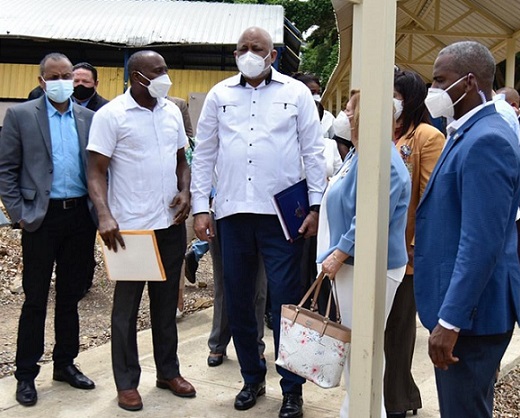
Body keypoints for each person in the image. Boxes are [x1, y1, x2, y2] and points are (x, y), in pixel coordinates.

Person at [191, 26, 326, 418]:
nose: (250, 53)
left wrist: (315, 205)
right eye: (243, 48)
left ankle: (292, 388)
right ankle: (252, 377)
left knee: (285, 301)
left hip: (282, 217)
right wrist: (202, 207)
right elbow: (205, 155)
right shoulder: (220, 95)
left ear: (272, 55)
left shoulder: (296, 93)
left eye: (258, 48)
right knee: (238, 299)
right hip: (232, 213)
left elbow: (313, 152)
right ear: (236, 54)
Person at [416, 41, 520, 418]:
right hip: (468, 312)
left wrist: (450, 320)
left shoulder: (487, 139)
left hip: (472, 317)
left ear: (470, 81)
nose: (434, 90)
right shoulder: (466, 130)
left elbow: (481, 242)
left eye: (440, 80)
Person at [87, 50, 195, 412]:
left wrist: (185, 190)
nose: (166, 76)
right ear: (137, 76)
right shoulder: (111, 116)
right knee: (127, 310)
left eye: (166, 69)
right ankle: (127, 383)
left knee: (166, 307)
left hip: (169, 225)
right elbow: (95, 171)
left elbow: (182, 161)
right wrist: (104, 215)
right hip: (130, 230)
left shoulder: (171, 113)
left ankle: (168, 372)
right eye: (158, 71)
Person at [0, 52, 97, 407]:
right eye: (54, 76)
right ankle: (26, 374)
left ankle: (65, 363)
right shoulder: (21, 115)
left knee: (70, 296)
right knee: (35, 298)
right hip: (41, 219)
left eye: (67, 75)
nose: (62, 81)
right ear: (42, 81)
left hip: (79, 219)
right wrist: (19, 214)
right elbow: (6, 170)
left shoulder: (88, 118)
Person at [318, 90, 411, 418]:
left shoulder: (381, 157)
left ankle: (362, 410)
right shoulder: (360, 152)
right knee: (358, 345)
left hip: (367, 265)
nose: (343, 114)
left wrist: (338, 255)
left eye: (348, 109)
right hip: (351, 265)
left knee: (362, 346)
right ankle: (359, 409)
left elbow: (369, 215)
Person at [384, 70, 445, 418]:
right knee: (382, 332)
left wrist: (417, 246)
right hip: (373, 251)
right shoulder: (384, 134)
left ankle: (396, 403)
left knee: (398, 333)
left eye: (394, 94)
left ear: (409, 98)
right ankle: (398, 396)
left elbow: (429, 201)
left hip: (405, 254)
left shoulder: (426, 137)